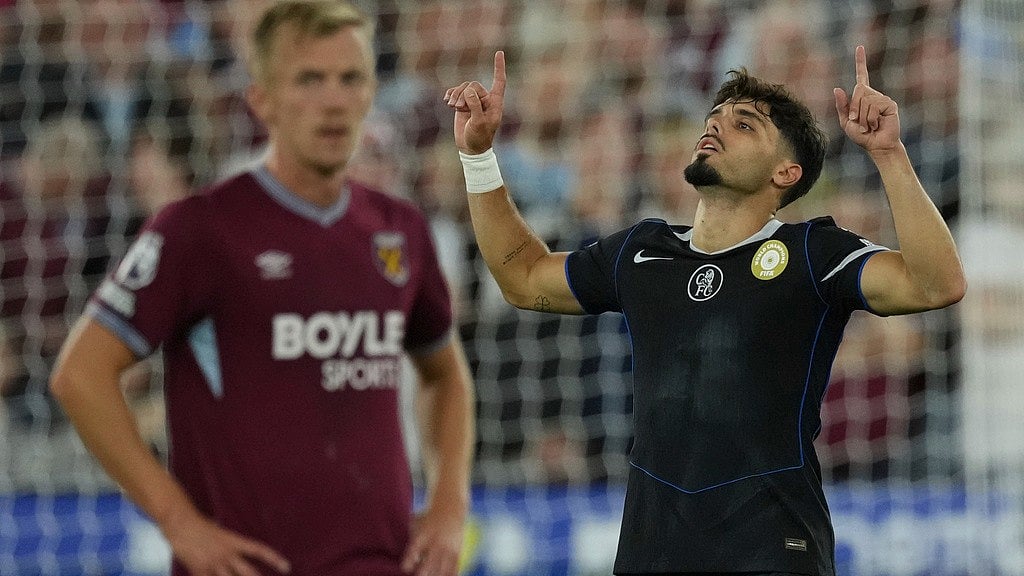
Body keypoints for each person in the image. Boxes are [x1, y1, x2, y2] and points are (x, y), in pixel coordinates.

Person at [445, 45, 965, 575]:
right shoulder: (642, 250)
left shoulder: (813, 251)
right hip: (652, 551)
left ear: (786, 172)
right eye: (714, 117)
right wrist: (479, 157)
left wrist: (889, 155)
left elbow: (935, 285)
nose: (714, 127)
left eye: (744, 125)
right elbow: (522, 277)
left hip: (772, 549)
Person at [50, 2, 475, 575]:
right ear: (261, 101)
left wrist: (449, 501)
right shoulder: (199, 230)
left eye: (349, 79)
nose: (332, 99)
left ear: (371, 94)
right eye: (309, 79)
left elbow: (444, 373)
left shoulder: (400, 230)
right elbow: (80, 375)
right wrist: (179, 522)